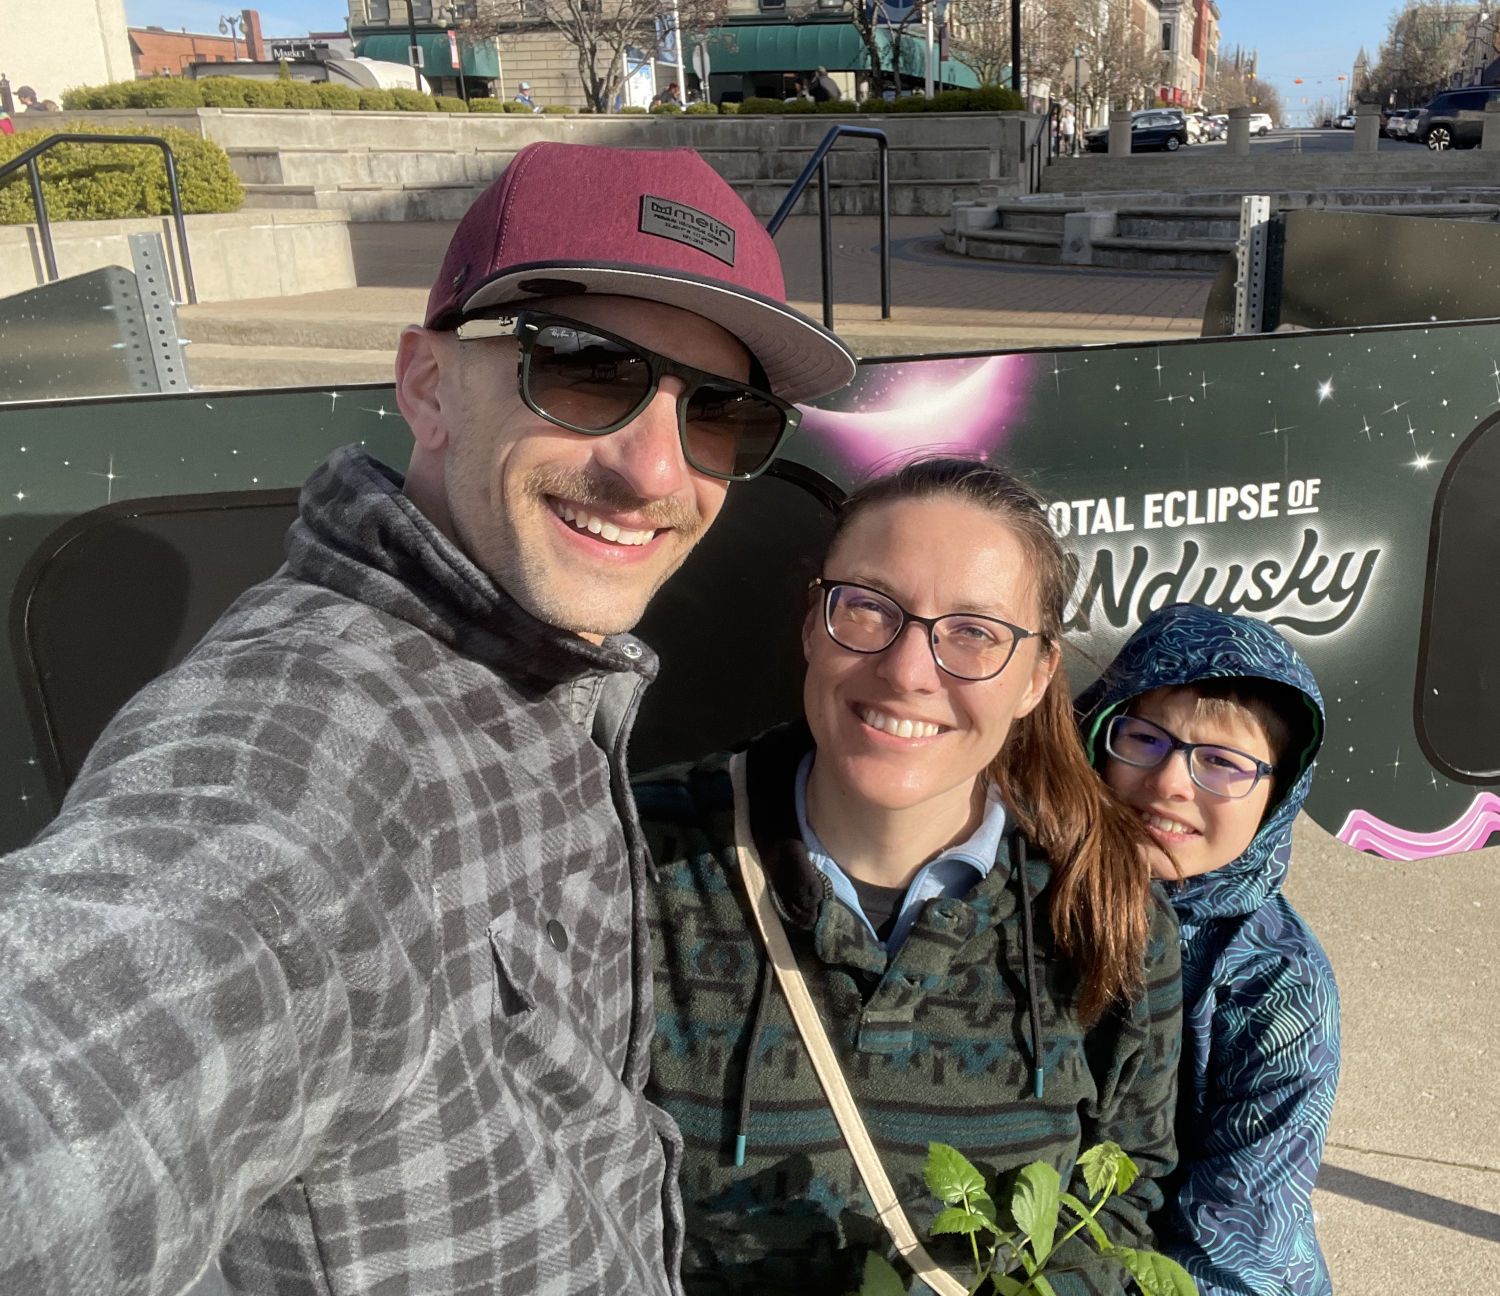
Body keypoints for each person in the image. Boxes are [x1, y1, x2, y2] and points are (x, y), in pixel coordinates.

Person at [0, 141, 856, 1296]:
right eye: (588, 368)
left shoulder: (547, 678)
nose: (657, 469)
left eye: (724, 413)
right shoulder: (303, 751)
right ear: (426, 384)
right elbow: (90, 1043)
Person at [639, 458, 1183, 1294]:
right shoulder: (636, 859)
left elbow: (1121, 1194)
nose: (907, 670)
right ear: (814, 625)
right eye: (868, 608)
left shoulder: (1108, 912)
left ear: (1038, 678)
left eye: (974, 632)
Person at [1077, 603, 1339, 1296]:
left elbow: (1243, 1238)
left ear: (1277, 797)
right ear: (1097, 735)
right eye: (1146, 739)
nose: (1170, 783)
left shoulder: (1279, 985)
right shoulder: (1015, 894)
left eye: (1221, 763)